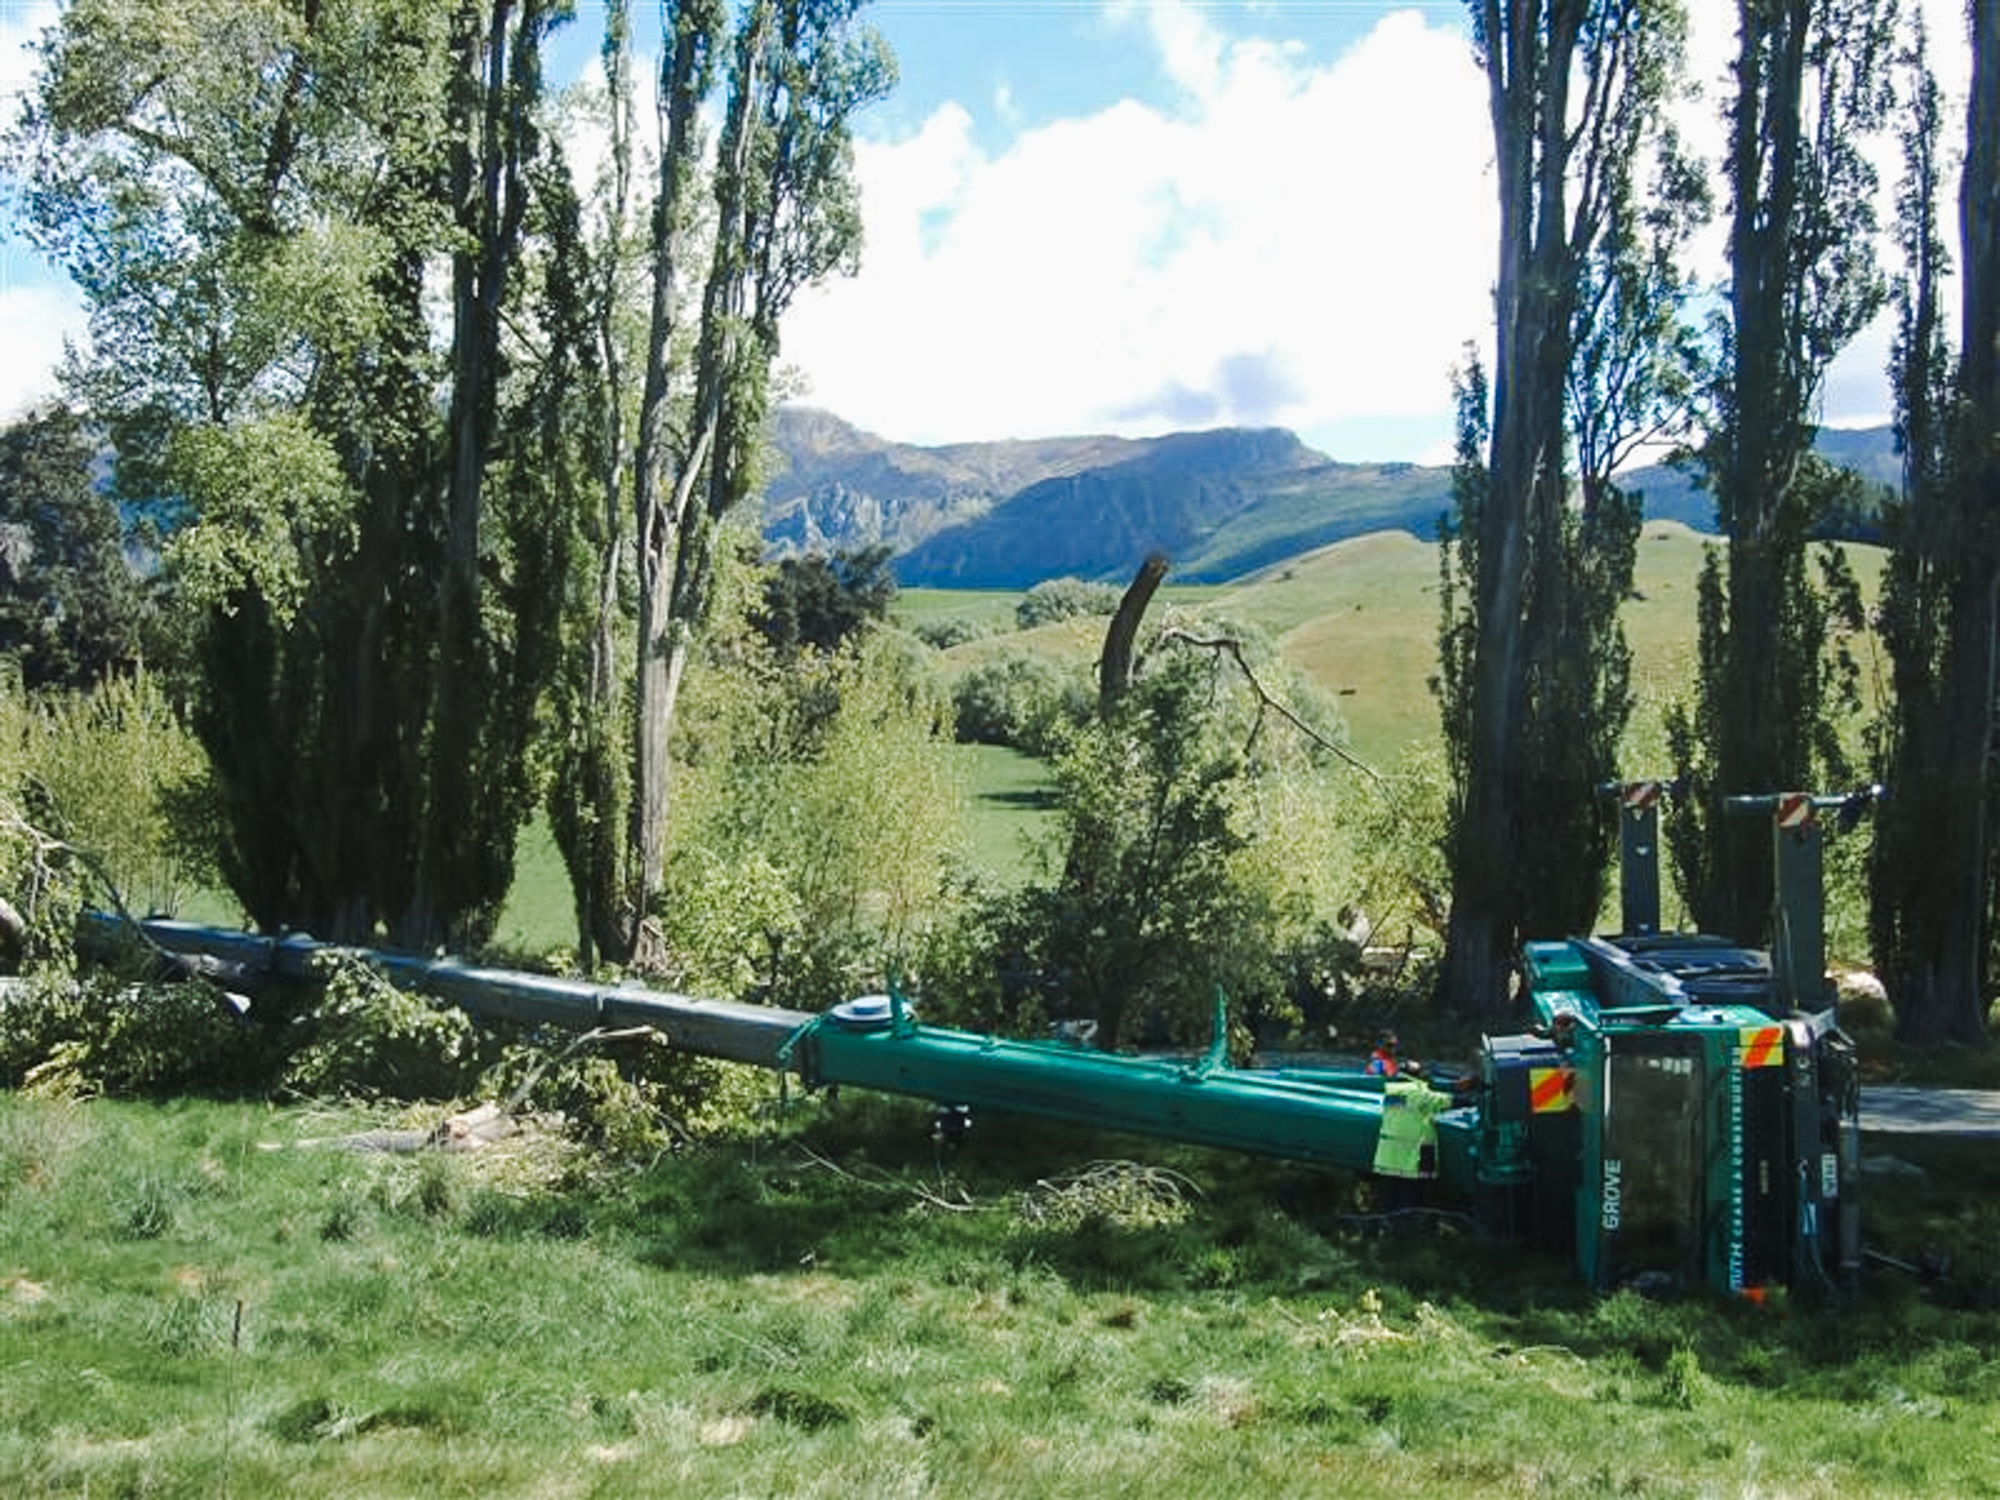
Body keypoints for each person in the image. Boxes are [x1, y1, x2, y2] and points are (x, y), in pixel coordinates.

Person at [1371, 1062, 1452, 1212]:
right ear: (1418, 1076)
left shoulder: (1391, 1091)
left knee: (1388, 1198)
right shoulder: (1418, 1094)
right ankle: (1406, 1231)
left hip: (1388, 1157)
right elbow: (1447, 1101)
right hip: (1413, 1157)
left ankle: (1385, 1229)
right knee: (1411, 1198)